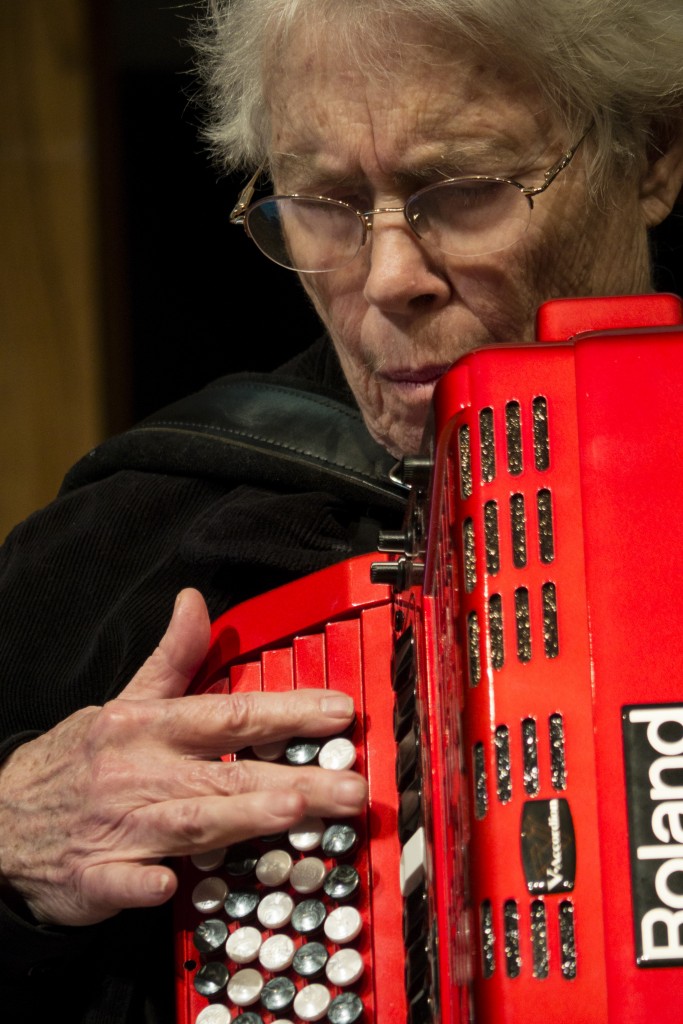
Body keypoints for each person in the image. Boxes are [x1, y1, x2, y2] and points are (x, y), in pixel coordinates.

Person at [1, 0, 682, 1019]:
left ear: (651, 156)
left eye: (462, 189)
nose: (388, 275)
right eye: (321, 200)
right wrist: (12, 837)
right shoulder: (140, 534)